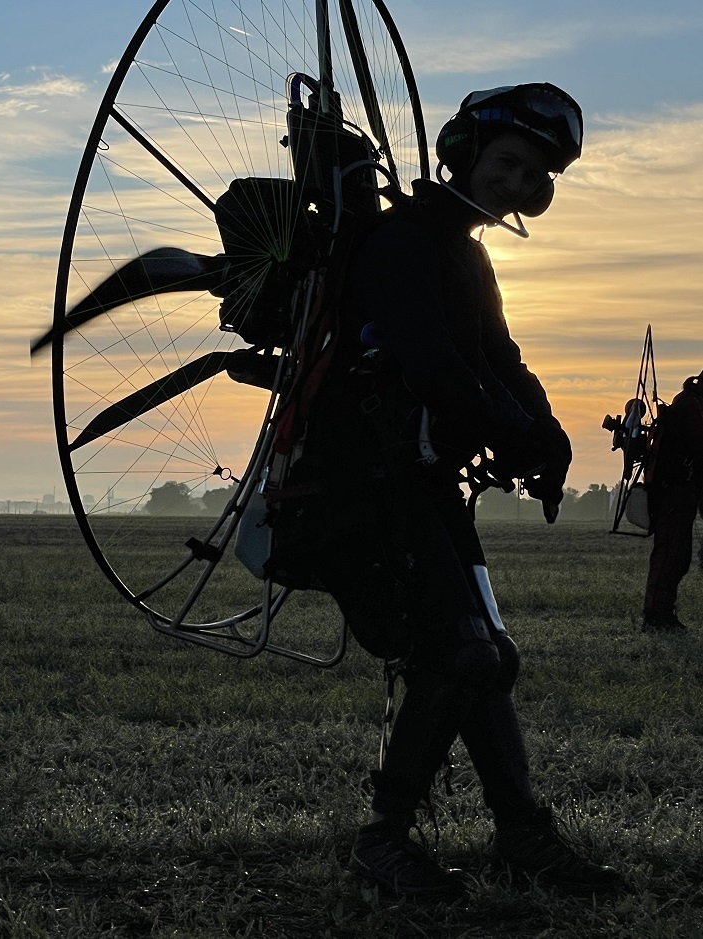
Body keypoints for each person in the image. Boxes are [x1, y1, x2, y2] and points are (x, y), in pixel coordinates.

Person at [280, 83, 622, 899]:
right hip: (359, 494)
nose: (514, 184)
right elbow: (435, 364)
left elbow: (499, 359)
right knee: (464, 655)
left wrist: (547, 435)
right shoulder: (401, 242)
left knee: (486, 659)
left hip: (420, 489)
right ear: (466, 150)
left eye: (532, 176)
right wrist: (511, 427)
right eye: (507, 163)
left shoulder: (464, 252)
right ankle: (383, 843)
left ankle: (522, 837)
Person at [642, 370, 703, 631]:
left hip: (679, 491)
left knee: (677, 555)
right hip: (674, 491)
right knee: (671, 554)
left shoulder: (688, 403)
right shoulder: (690, 407)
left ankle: (662, 614)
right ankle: (656, 617)